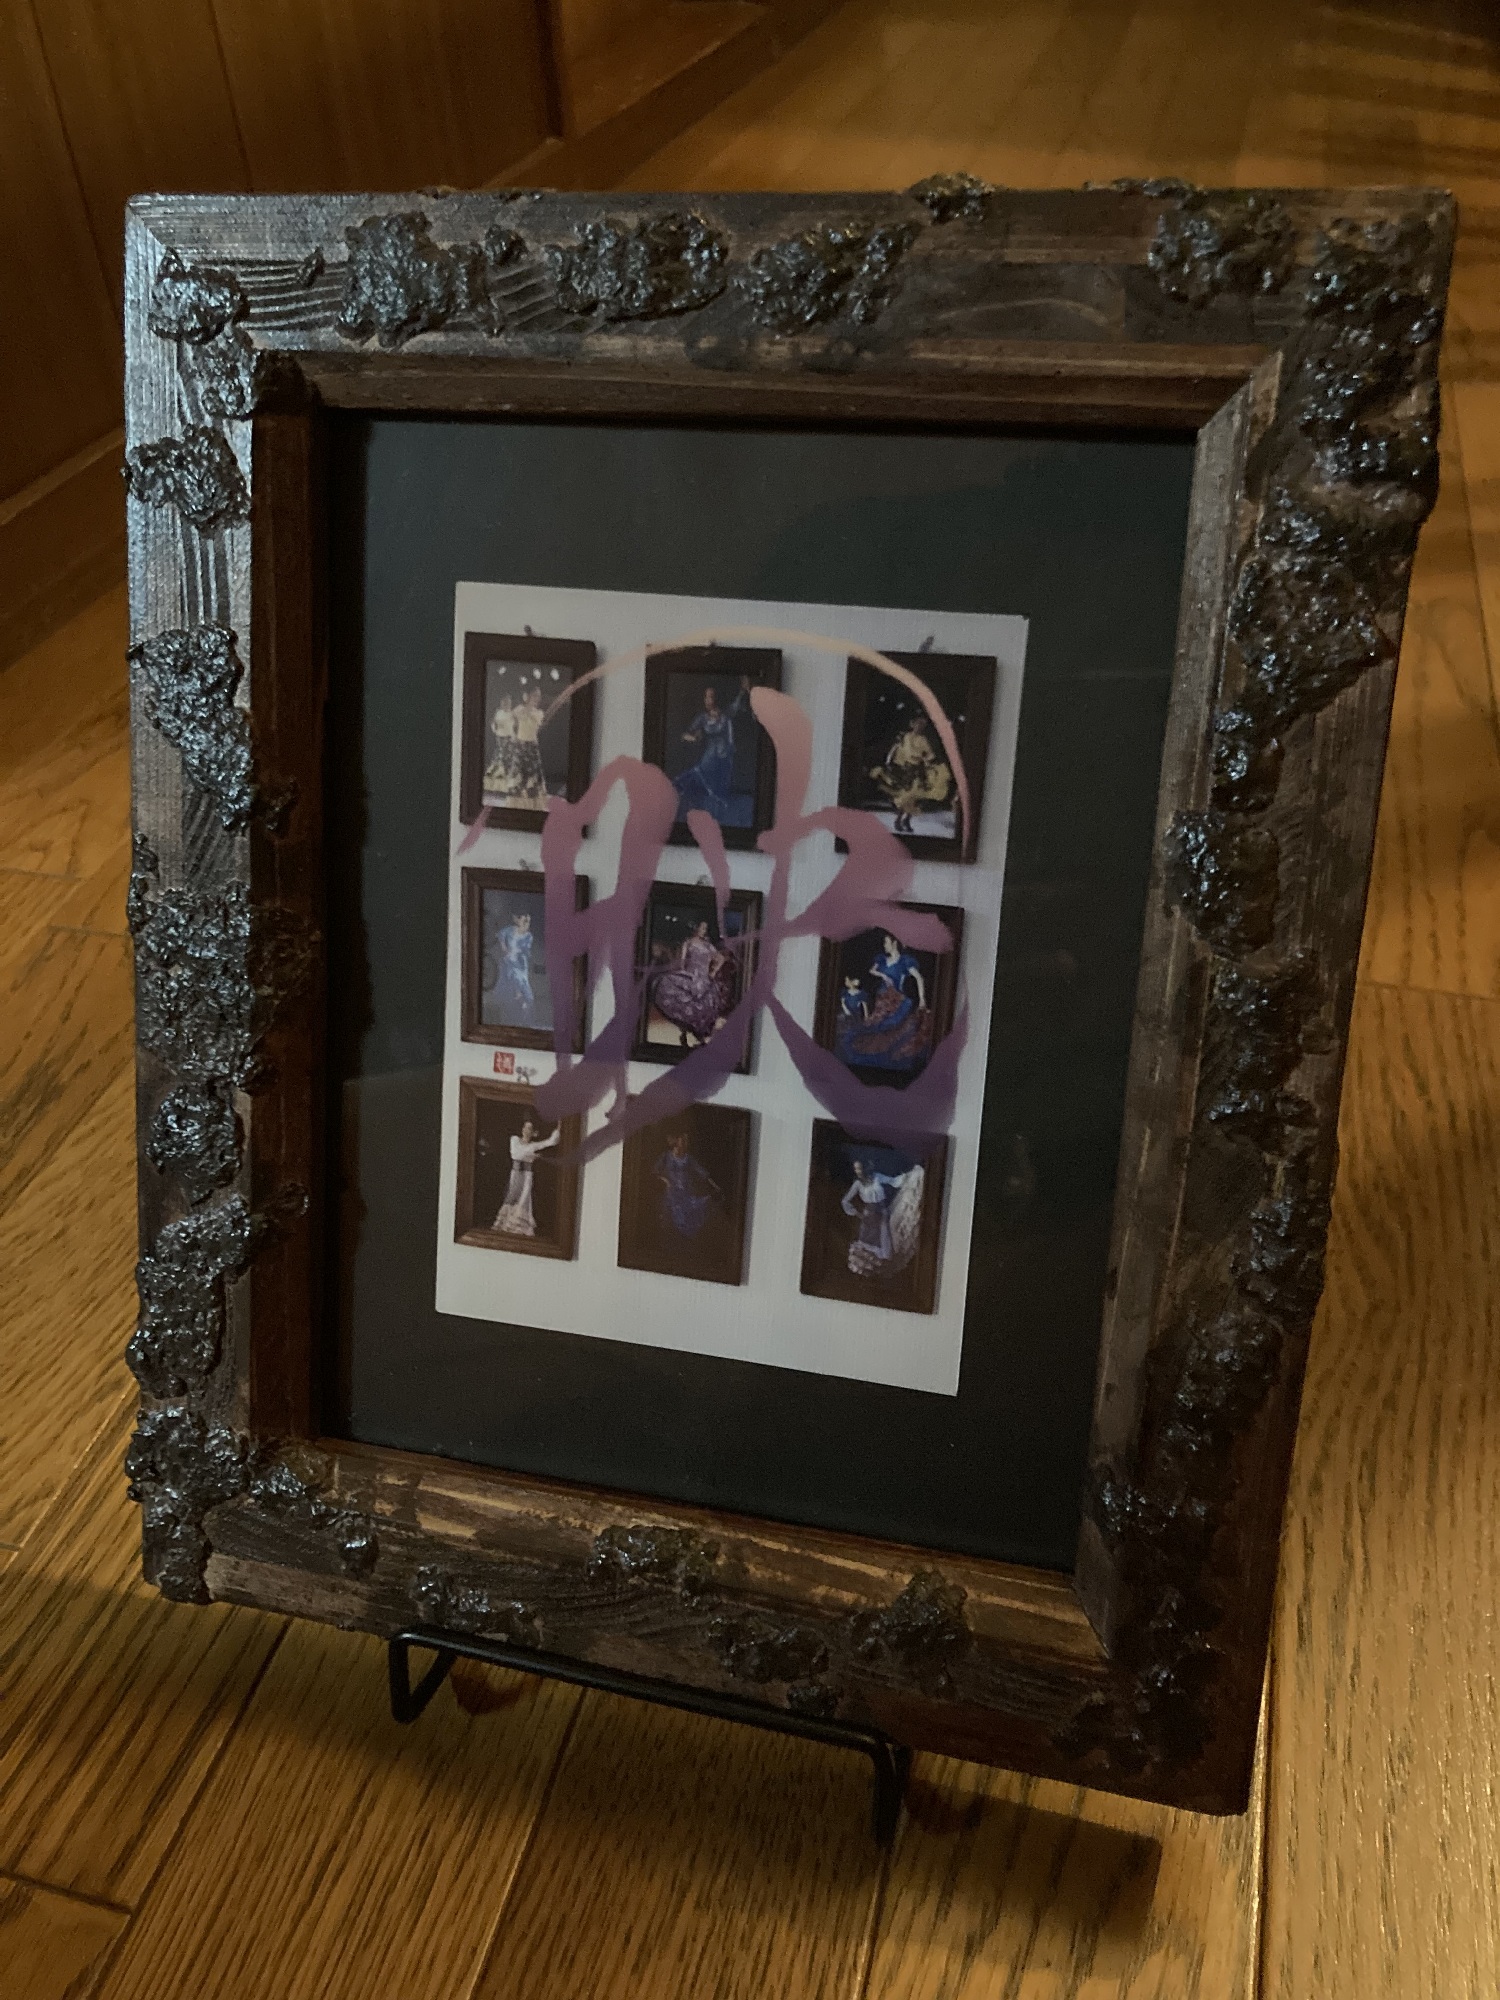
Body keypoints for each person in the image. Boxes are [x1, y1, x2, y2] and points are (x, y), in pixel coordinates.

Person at [834, 934, 931, 1073]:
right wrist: (883, 975)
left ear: (894, 943)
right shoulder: (882, 959)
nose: (884, 945)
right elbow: (872, 970)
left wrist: (922, 999)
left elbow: (919, 978)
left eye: (886, 942)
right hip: (881, 1001)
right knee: (873, 1028)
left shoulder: (904, 961)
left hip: (895, 1001)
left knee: (891, 1030)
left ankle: (888, 1065)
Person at [673, 676, 752, 824]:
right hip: (708, 761)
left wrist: (744, 690)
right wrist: (693, 738)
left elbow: (738, 702)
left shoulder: (726, 714)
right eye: (707, 697)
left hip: (725, 759)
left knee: (722, 797)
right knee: (694, 783)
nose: (709, 700)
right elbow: (684, 734)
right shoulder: (703, 718)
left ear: (717, 698)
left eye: (712, 696)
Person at [651, 919, 736, 1047]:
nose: (703, 931)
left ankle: (707, 1032)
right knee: (670, 986)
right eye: (702, 928)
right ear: (696, 928)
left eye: (705, 929)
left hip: (706, 975)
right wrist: (683, 974)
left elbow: (719, 958)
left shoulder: (708, 945)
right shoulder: (689, 943)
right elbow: (682, 961)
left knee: (709, 998)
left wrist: (714, 971)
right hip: (691, 975)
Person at [841, 1156, 925, 1279]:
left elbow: (894, 1181)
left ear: (866, 1167)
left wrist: (908, 1177)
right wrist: (857, 1213)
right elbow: (845, 1201)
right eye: (856, 1169)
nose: (859, 1172)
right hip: (869, 1218)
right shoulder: (858, 1184)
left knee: (886, 1249)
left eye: (860, 1168)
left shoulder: (877, 1177)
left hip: (882, 1214)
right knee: (870, 1247)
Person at [870, 712, 954, 834]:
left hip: (918, 770)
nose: (920, 726)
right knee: (906, 795)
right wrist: (890, 760)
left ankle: (906, 820)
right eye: (918, 724)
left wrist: (927, 759)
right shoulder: (906, 737)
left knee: (914, 797)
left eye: (922, 724)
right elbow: (902, 750)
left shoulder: (923, 739)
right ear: (912, 724)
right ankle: (899, 819)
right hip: (906, 769)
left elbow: (929, 754)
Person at [493, 1116, 560, 1236]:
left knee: (524, 1198)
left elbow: (552, 1141)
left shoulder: (534, 1145)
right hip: (516, 1173)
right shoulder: (514, 1140)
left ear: (534, 1133)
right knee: (511, 1196)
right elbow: (516, 1154)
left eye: (529, 1128)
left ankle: (520, 1227)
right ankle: (506, 1223)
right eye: (525, 1127)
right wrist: (532, 1155)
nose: (525, 1130)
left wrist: (559, 1126)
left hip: (527, 1175)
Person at [655, 1132, 721, 1240]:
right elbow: (656, 1172)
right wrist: (665, 1181)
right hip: (671, 1193)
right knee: (670, 1216)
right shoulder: (666, 1156)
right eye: (683, 1140)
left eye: (686, 1141)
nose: (686, 1143)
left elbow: (702, 1172)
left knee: (693, 1210)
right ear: (676, 1141)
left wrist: (714, 1185)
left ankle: (685, 1237)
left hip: (686, 1193)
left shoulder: (688, 1158)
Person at [493, 909, 537, 1026]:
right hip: (510, 963)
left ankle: (525, 1016)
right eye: (523, 919)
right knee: (515, 986)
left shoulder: (528, 936)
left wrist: (520, 953)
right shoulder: (510, 930)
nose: (525, 923)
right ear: (516, 919)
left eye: (527, 921)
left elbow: (525, 950)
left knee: (526, 991)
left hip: (521, 964)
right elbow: (500, 935)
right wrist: (504, 947)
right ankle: (519, 1007)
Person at [512, 683, 549, 807]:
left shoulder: (539, 713)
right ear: (527, 696)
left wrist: (530, 709)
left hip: (532, 748)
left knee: (533, 775)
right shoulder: (519, 709)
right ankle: (518, 803)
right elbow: (517, 715)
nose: (537, 698)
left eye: (539, 696)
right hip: (520, 747)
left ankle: (533, 802)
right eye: (535, 695)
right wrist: (526, 705)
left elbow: (537, 723)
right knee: (519, 774)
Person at [485, 693, 519, 797]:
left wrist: (514, 737)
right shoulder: (498, 712)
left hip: (509, 741)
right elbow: (493, 724)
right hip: (500, 740)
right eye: (504, 702)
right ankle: (493, 787)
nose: (506, 704)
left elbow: (516, 727)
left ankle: (507, 788)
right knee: (498, 762)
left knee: (507, 763)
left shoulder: (512, 714)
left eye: (508, 702)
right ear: (501, 703)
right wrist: (495, 728)